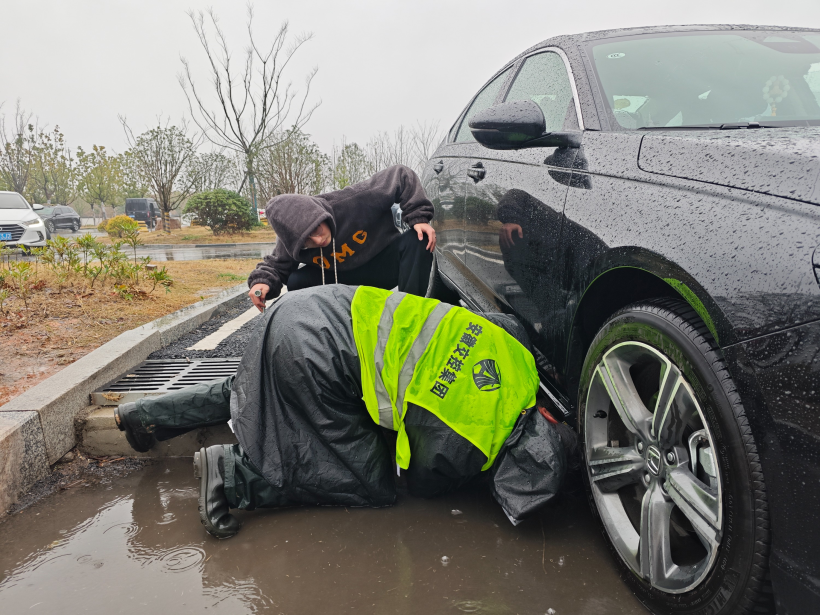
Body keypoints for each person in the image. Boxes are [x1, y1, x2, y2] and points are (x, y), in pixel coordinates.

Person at [114, 285, 570, 539]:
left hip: (314, 308)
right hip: (319, 357)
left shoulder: (519, 356)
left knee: (253, 385)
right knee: (369, 481)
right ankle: (231, 475)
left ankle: (144, 415)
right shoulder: (470, 441)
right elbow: (420, 480)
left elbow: (501, 322)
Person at [247, 165, 437, 312]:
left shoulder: (352, 201)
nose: (318, 240)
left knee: (418, 238)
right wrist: (261, 283)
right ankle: (320, 328)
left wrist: (418, 216)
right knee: (296, 281)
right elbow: (276, 265)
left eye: (316, 229)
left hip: (380, 267)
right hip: (341, 280)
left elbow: (400, 174)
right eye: (307, 241)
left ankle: (411, 313)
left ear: (318, 214)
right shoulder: (292, 239)